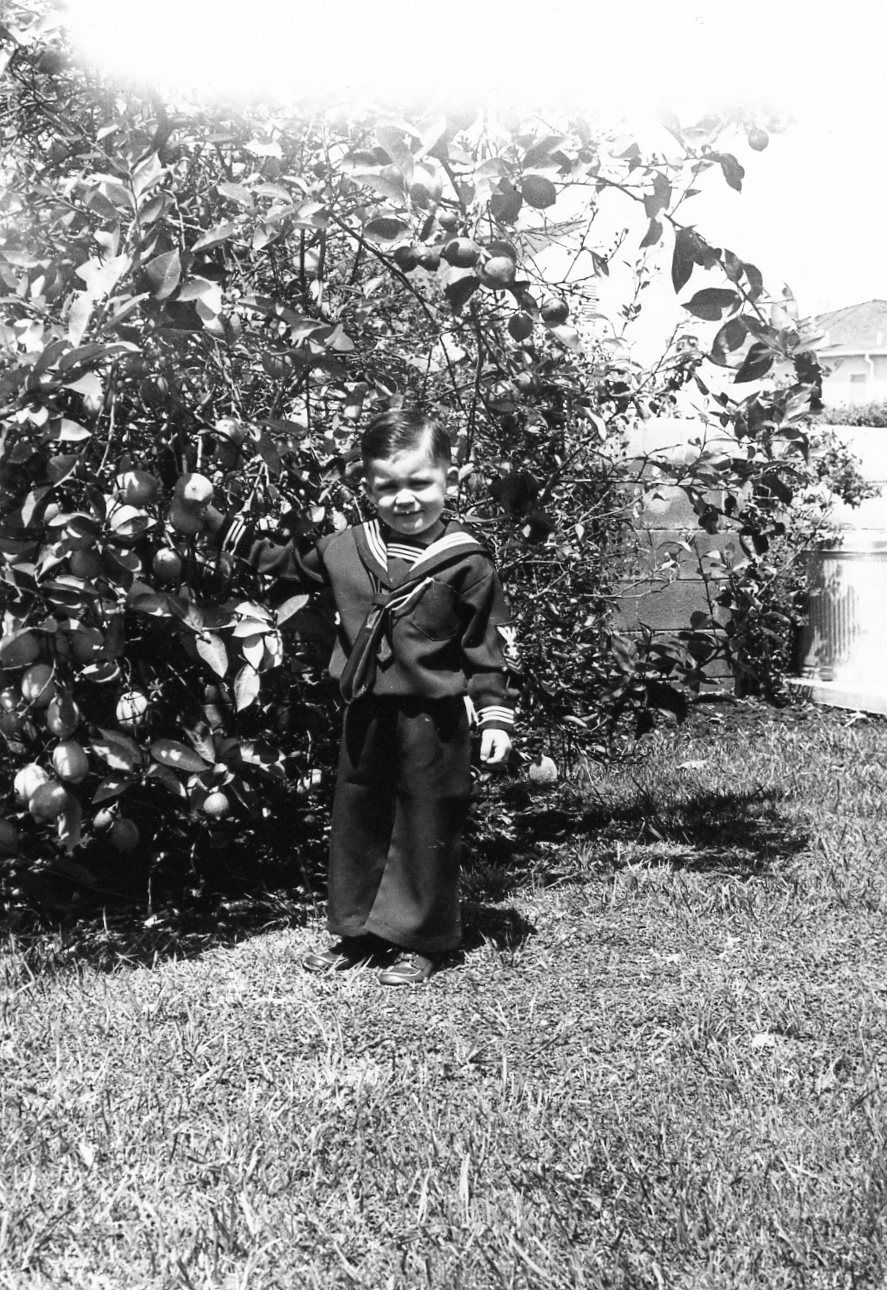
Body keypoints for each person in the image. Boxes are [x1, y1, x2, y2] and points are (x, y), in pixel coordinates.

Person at [209, 408, 519, 984]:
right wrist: (212, 521)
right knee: (359, 816)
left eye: (420, 482)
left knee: (426, 821)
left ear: (450, 480)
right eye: (387, 486)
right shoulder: (345, 548)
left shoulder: (468, 562)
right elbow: (282, 561)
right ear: (367, 488)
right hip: (366, 711)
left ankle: (420, 936)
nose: (405, 499)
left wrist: (495, 716)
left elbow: (484, 647)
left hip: (434, 716)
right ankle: (357, 931)